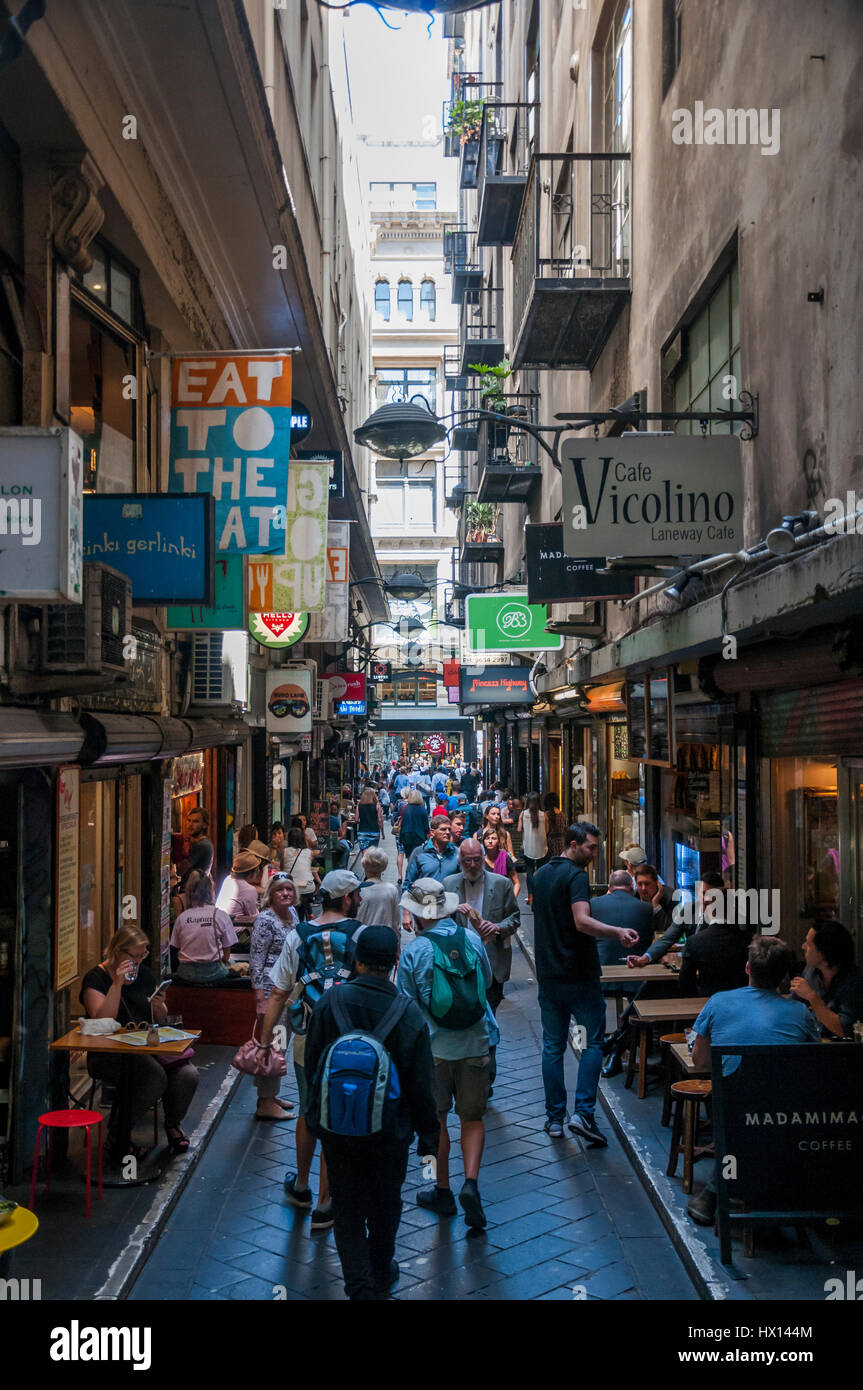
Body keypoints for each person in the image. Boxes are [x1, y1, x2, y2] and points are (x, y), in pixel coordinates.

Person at [304, 925, 440, 1300]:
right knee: (385, 1202)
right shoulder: (407, 1013)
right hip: (389, 1133)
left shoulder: (329, 1004)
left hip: (338, 1129)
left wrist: (315, 1118)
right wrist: (428, 1136)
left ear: (356, 961)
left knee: (345, 1206)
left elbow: (314, 1066)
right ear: (395, 962)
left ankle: (358, 1286)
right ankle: (381, 1271)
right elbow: (421, 1085)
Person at [686, 935, 821, 1226]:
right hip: (787, 1112)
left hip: (733, 1107)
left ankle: (713, 1191)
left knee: (735, 1112)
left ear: (747, 968)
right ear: (785, 975)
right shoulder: (799, 1013)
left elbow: (699, 1060)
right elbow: (815, 1060)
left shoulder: (719, 1002)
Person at [261, 870, 366, 1230]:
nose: (359, 898)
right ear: (349, 897)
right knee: (335, 1116)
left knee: (308, 1109)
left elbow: (277, 993)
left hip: (309, 1034)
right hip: (351, 1040)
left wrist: (264, 1041)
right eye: (357, 893)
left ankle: (302, 1185)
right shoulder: (362, 936)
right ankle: (325, 1202)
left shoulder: (298, 936)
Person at [398, 879, 497, 1229]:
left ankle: (443, 1190)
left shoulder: (414, 952)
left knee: (437, 1121)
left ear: (416, 915)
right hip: (475, 1044)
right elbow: (485, 983)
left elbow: (407, 1007)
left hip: (434, 1050)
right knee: (472, 1118)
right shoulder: (470, 939)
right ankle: (470, 1182)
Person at [532, 823, 640, 1144]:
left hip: (549, 976)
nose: (594, 855)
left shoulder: (540, 875)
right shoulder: (576, 876)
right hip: (579, 975)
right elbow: (580, 920)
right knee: (593, 1043)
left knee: (553, 1046)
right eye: (591, 848)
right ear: (574, 845)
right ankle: (583, 1113)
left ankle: (554, 1119)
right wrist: (617, 931)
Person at [81, 925, 199, 1161]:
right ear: (117, 951)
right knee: (153, 1077)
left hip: (143, 1046)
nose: (137, 961)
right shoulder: (96, 978)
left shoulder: (144, 975)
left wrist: (159, 1006)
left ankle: (173, 1125)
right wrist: (116, 983)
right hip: (107, 1052)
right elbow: (103, 1018)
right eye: (132, 955)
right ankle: (118, 1137)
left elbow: (160, 1019)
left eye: (141, 955)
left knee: (188, 1074)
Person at [588, 870, 657, 1078]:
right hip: (636, 979)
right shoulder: (646, 908)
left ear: (609, 887)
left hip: (602, 976)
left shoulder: (593, 905)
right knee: (641, 1005)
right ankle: (617, 1045)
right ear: (632, 887)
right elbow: (649, 939)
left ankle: (607, 1043)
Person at [249, 872, 300, 1120]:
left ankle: (270, 1093)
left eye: (289, 889)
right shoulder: (265, 920)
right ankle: (265, 1102)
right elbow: (256, 962)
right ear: (271, 893)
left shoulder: (294, 915)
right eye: (280, 890)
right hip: (272, 990)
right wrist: (260, 997)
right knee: (273, 1043)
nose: (286, 894)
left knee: (279, 1042)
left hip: (289, 988)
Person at [791, 919, 863, 1039]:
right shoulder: (811, 971)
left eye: (808, 944)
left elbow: (845, 1030)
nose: (803, 947)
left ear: (824, 953)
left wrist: (813, 998)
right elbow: (792, 1003)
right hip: (812, 1041)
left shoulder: (854, 982)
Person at [170, 876, 237, 984]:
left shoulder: (182, 918)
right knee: (233, 962)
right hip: (214, 972)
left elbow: (177, 947)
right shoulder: (221, 915)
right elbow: (226, 955)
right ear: (211, 892)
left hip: (186, 972)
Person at [677, 900, 749, 997]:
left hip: (706, 1002)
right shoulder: (749, 940)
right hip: (741, 1003)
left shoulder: (694, 941)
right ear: (733, 909)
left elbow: (685, 982)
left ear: (709, 910)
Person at [403, 816, 459, 895]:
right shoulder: (419, 853)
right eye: (443, 829)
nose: (448, 832)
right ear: (432, 832)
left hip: (449, 903)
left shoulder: (457, 853)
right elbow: (409, 882)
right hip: (425, 903)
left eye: (449, 829)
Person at [356, 847, 401, 938]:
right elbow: (396, 921)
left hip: (363, 939)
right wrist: (397, 941)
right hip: (386, 939)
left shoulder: (359, 890)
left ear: (364, 865)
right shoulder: (392, 889)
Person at [216, 850, 264, 923]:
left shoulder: (228, 879)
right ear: (250, 873)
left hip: (221, 926)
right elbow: (254, 916)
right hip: (235, 930)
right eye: (257, 870)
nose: (258, 872)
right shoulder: (249, 890)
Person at [284, 825, 320, 919]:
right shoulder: (309, 852)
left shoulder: (285, 852)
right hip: (308, 889)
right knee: (302, 898)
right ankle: (308, 913)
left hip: (292, 889)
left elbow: (282, 869)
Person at [394, 788, 429, 886]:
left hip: (405, 836)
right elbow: (426, 826)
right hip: (418, 836)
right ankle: (412, 876)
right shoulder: (422, 810)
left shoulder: (404, 808)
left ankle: (408, 875)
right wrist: (427, 836)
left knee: (409, 857)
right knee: (416, 857)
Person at [518, 793, 549, 904]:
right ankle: (541, 895)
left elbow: (519, 829)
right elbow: (547, 831)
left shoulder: (523, 814)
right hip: (542, 847)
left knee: (530, 871)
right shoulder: (544, 815)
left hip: (528, 847)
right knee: (541, 872)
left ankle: (530, 896)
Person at [480, 825, 520, 900]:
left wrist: (511, 901)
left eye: (494, 838)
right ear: (483, 841)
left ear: (498, 841)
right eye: (487, 838)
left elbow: (517, 883)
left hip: (504, 898)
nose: (490, 841)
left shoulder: (505, 858)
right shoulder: (480, 860)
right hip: (485, 899)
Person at [356, 786, 384, 852]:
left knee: (364, 853)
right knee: (373, 853)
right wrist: (382, 833)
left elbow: (356, 819)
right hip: (374, 832)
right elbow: (380, 820)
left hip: (362, 832)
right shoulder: (377, 805)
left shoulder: (359, 805)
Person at [544, 792, 567, 859]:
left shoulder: (546, 814)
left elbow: (546, 831)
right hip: (562, 841)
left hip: (550, 842)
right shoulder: (563, 814)